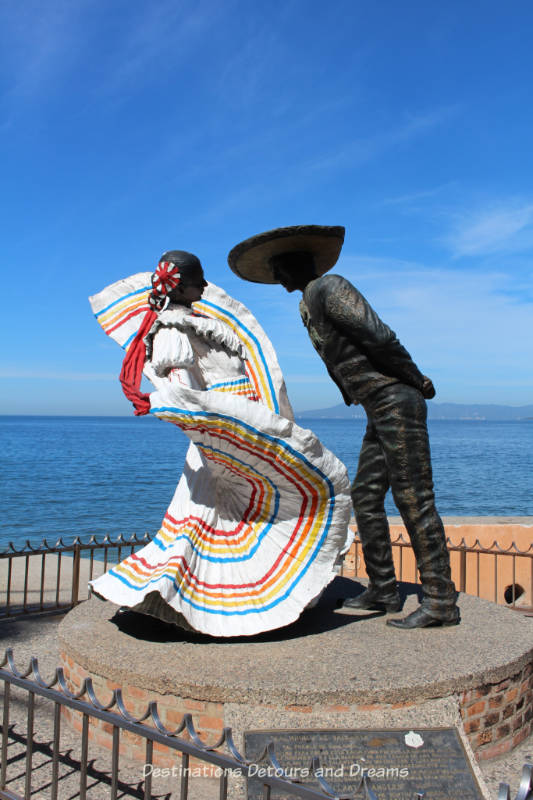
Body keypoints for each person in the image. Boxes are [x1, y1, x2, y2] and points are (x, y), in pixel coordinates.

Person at [88, 249, 352, 637]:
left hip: (240, 426)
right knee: (217, 521)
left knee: (232, 521)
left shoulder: (200, 322)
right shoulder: (171, 331)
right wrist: (223, 431)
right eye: (199, 280)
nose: (206, 286)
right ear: (181, 286)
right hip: (223, 436)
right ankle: (201, 600)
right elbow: (185, 395)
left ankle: (236, 598)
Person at [228, 225, 459, 629]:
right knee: (366, 498)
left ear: (299, 264)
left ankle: (441, 599)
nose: (277, 277)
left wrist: (417, 378)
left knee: (413, 499)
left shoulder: (330, 287)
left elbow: (380, 337)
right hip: (377, 406)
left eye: (279, 268)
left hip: (395, 400)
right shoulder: (308, 302)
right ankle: (384, 590)